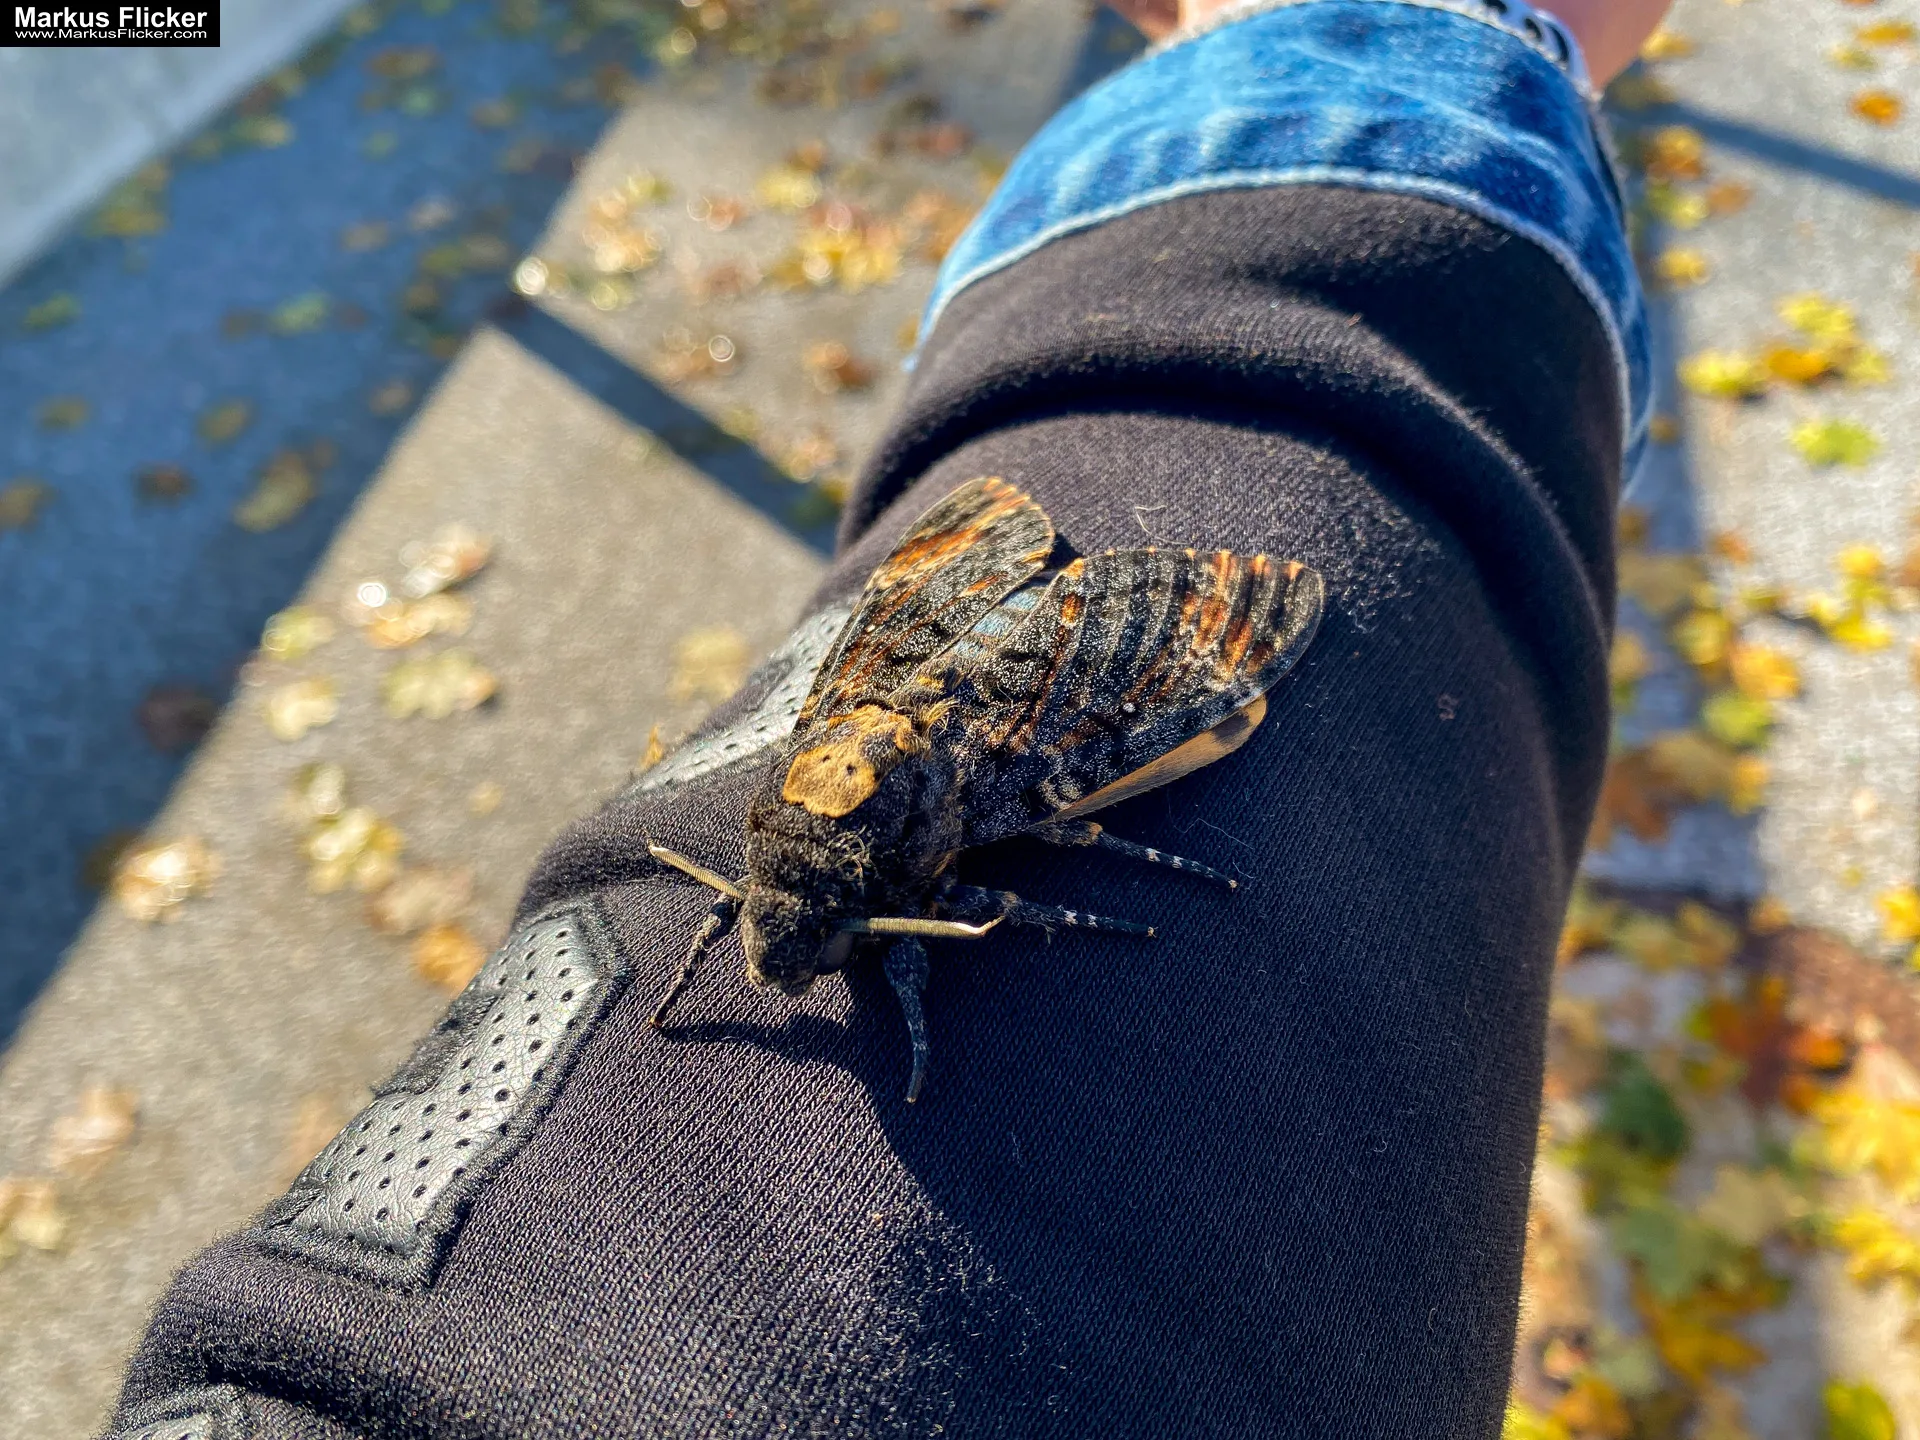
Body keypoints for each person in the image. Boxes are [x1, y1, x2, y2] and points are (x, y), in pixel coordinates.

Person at [110, 0, 1671, 1433]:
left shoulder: (875, 897)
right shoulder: (786, 880)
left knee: (1122, 786)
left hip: (1009, 724)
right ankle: (1372, 74)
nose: (786, 953)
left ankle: (1353, 78)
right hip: (982, 661)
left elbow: (971, 920)